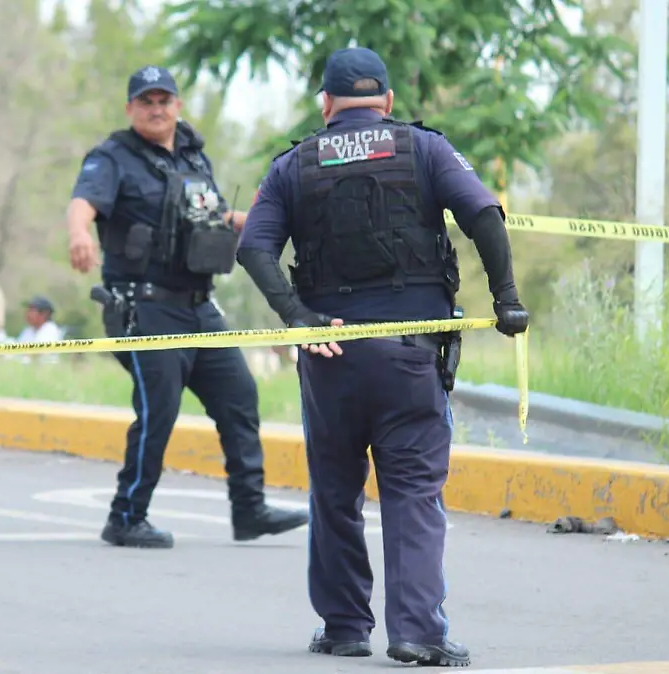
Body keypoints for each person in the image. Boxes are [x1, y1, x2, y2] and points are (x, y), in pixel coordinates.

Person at [235, 47, 530, 667]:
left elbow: (253, 248)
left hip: (330, 355)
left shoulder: (293, 164)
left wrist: (298, 318)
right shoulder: (423, 148)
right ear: (388, 101)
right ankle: (417, 632)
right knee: (414, 492)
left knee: (334, 491)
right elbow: (483, 213)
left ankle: (344, 628)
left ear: (326, 103)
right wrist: (506, 299)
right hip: (410, 357)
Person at [65, 64, 309, 549]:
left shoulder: (194, 158)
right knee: (160, 409)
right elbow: (83, 203)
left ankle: (249, 509)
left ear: (177, 105)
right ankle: (125, 516)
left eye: (164, 100)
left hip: (198, 307)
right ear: (131, 108)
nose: (156, 109)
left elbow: (212, 214)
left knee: (239, 395)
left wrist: (266, 219)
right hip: (144, 308)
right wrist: (78, 234)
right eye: (146, 101)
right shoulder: (113, 157)